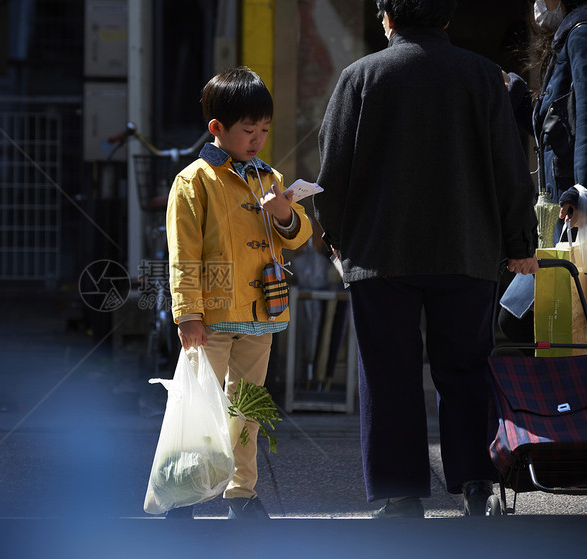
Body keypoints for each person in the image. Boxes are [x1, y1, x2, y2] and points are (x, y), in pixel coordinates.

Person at [313, 0, 539, 518]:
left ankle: (401, 493)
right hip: (466, 248)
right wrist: (519, 244)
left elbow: (334, 171)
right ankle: (477, 482)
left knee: (388, 372)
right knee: (465, 369)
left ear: (387, 19)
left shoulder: (360, 77)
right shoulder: (483, 77)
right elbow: (510, 167)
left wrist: (340, 240)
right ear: (446, 18)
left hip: (380, 253)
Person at [165, 66, 313, 519]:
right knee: (199, 408)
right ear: (217, 129)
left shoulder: (269, 178)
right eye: (248, 130)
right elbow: (182, 253)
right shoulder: (194, 180)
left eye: (264, 130)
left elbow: (298, 236)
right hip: (209, 316)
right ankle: (185, 493)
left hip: (262, 312)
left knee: (247, 406)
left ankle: (241, 491)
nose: (258, 139)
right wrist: (187, 311)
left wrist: (286, 213)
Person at [499, 0, 587, 343]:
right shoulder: (570, 36)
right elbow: (556, 131)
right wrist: (519, 98)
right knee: (541, 326)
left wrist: (580, 192)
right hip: (564, 221)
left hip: (573, 219)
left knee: (527, 323)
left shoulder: (580, 34)